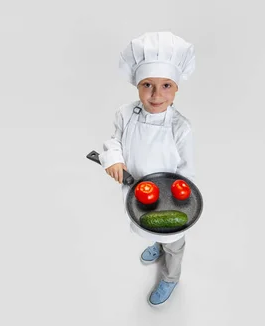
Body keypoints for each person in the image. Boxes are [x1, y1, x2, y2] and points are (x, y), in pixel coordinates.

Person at [98, 31, 197, 306]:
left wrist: (178, 202)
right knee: (149, 227)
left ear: (177, 88)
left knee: (175, 243)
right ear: (136, 86)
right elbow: (114, 141)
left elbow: (188, 172)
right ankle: (158, 244)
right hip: (138, 191)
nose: (156, 95)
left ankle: (170, 277)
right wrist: (113, 159)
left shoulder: (181, 128)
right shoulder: (125, 114)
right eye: (147, 85)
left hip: (172, 200)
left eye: (166, 85)